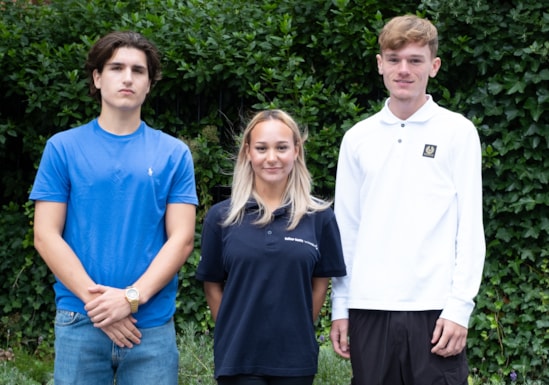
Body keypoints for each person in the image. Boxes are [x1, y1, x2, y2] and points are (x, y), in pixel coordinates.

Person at [30, 31, 198, 385]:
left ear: (149, 83)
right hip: (80, 321)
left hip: (149, 326)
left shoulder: (173, 153)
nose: (127, 78)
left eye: (138, 70)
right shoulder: (62, 148)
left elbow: (181, 239)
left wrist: (131, 299)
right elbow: (46, 235)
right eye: (116, 67)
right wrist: (104, 307)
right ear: (97, 77)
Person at [329, 15, 486, 385]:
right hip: (369, 308)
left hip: (435, 311)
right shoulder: (357, 137)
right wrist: (341, 305)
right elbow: (346, 228)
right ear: (380, 64)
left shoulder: (458, 132)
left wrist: (460, 307)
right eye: (394, 59)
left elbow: (470, 228)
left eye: (415, 60)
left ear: (433, 66)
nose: (404, 69)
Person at [196, 109, 347, 385]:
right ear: (248, 152)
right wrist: (231, 329)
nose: (272, 158)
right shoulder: (222, 217)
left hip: (295, 360)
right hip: (238, 359)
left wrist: (296, 328)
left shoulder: (320, 216)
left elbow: (320, 284)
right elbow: (212, 285)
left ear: (296, 151)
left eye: (281, 147)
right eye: (262, 148)